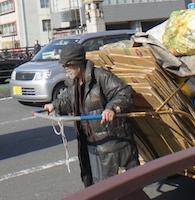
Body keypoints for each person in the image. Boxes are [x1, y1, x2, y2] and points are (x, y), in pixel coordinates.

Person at [43, 42, 139, 187]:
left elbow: (125, 92)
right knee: (97, 185)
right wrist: (54, 105)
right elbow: (68, 100)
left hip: (111, 144)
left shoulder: (100, 76)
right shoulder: (75, 82)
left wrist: (111, 108)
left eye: (67, 65)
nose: (65, 69)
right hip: (90, 143)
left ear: (77, 63)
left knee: (119, 188)